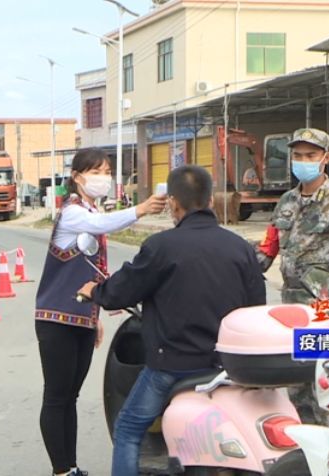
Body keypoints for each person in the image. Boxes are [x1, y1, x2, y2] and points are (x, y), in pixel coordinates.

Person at [77, 165, 267, 476]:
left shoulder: (162, 246)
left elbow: (123, 289)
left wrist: (94, 291)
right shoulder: (240, 247)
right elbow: (255, 308)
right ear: (209, 201)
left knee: (128, 427)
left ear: (174, 203)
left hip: (172, 366)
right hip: (225, 368)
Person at [34, 149, 167, 476]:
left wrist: (95, 315)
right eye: (96, 171)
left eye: (107, 171)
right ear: (78, 176)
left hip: (80, 318)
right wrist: (141, 209)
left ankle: (70, 466)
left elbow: (93, 267)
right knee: (56, 396)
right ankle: (61, 470)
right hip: (55, 319)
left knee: (71, 397)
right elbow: (100, 223)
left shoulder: (89, 209)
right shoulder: (74, 212)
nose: (103, 178)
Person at [256, 127, 329, 307]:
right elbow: (269, 248)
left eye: (311, 156)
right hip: (290, 299)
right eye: (298, 156)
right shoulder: (286, 201)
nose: (303, 161)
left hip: (324, 301)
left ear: (326, 158)